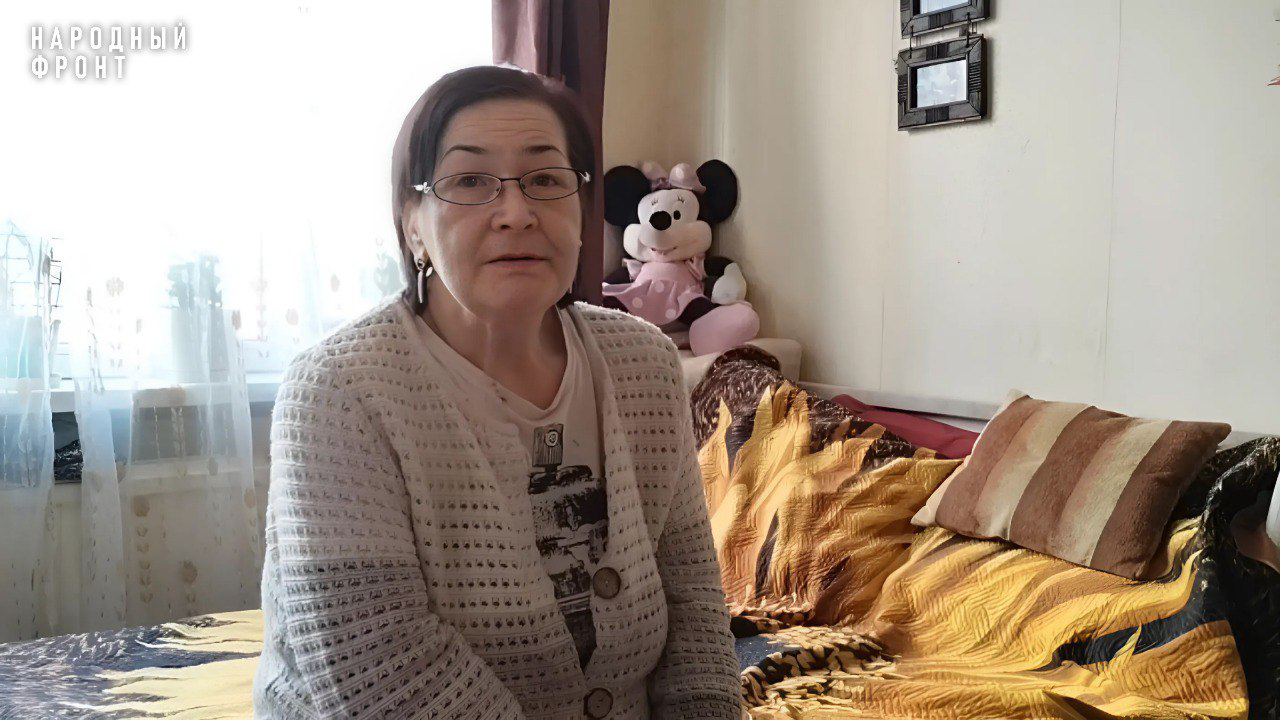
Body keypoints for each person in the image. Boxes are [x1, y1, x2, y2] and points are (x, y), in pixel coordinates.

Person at [252, 64, 741, 719]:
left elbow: (696, 616)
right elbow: (385, 681)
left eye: (546, 180)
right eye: (469, 182)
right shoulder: (338, 394)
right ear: (413, 225)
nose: (515, 213)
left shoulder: (646, 364)